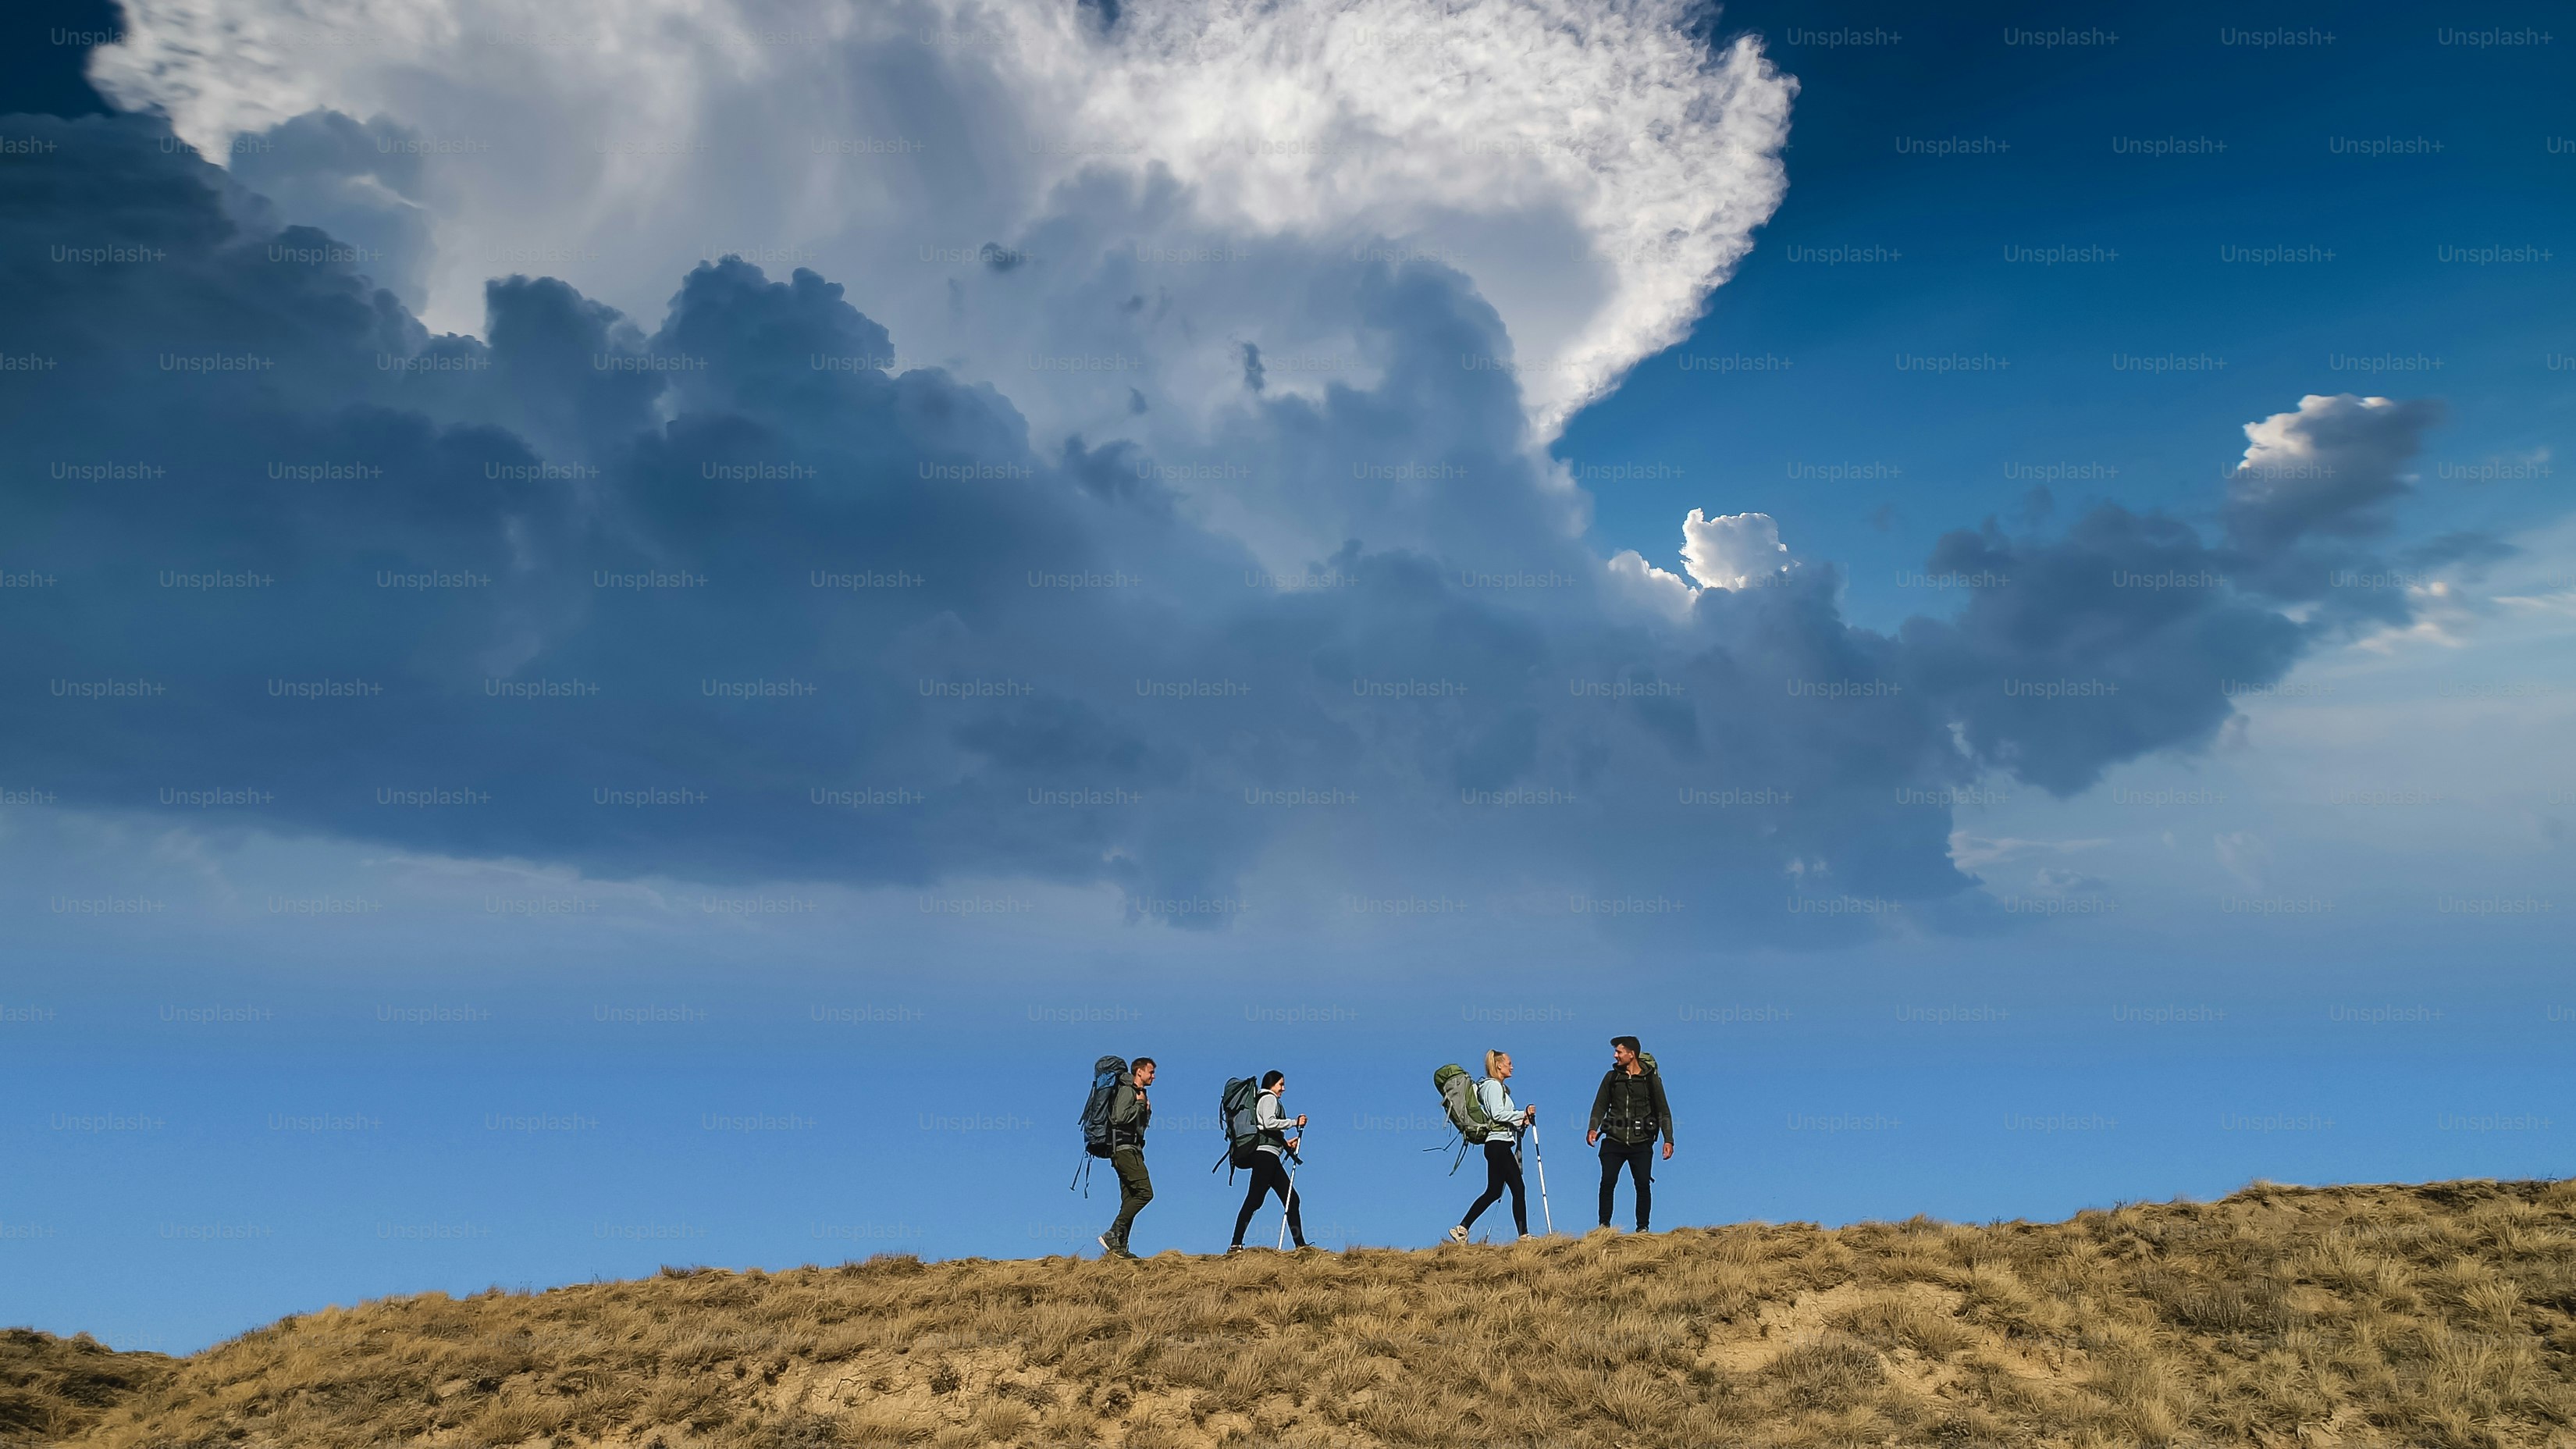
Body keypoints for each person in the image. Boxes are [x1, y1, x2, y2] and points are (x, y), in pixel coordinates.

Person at [1588, 1035, 1674, 1233]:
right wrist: (1593, 1128)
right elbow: (1600, 1104)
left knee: (1642, 1184)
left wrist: (1668, 1139)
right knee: (1608, 1181)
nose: (1615, 1055)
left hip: (1642, 1140)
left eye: (1619, 1052)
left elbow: (1663, 1110)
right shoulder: (1611, 1078)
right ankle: (1604, 1227)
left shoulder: (1650, 1079)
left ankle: (1642, 1228)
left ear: (1631, 1054)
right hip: (1613, 1138)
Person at [1449, 1048, 1535, 1243]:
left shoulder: (1493, 1087)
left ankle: (1462, 1228)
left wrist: (1520, 1123)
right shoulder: (1493, 1087)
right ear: (1498, 1065)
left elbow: (1499, 1118)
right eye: (1509, 1063)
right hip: (1499, 1145)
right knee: (1518, 1188)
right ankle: (1524, 1236)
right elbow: (1497, 1114)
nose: (1512, 1067)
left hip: (1496, 1145)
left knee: (1494, 1191)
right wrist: (1522, 1114)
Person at [1229, 1070, 1309, 1251]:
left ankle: (1301, 1246)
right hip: (1265, 1157)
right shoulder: (1268, 1098)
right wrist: (1294, 1122)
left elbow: (1266, 1129)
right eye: (1281, 1084)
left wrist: (1285, 1145)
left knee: (1289, 1199)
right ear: (1272, 1084)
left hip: (1269, 1156)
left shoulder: (1264, 1099)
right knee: (1256, 1199)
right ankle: (1235, 1244)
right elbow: (1268, 1122)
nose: (1283, 1088)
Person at [1098, 1056, 1155, 1259]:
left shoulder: (1139, 1093)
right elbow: (1119, 1117)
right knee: (1145, 1193)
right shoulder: (1127, 1089)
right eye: (1151, 1072)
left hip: (1132, 1149)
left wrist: (1146, 1111)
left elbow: (1139, 1126)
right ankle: (1112, 1235)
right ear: (1139, 1071)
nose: (1153, 1076)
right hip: (1124, 1150)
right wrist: (1139, 1105)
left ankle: (1119, 1248)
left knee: (1130, 1199)